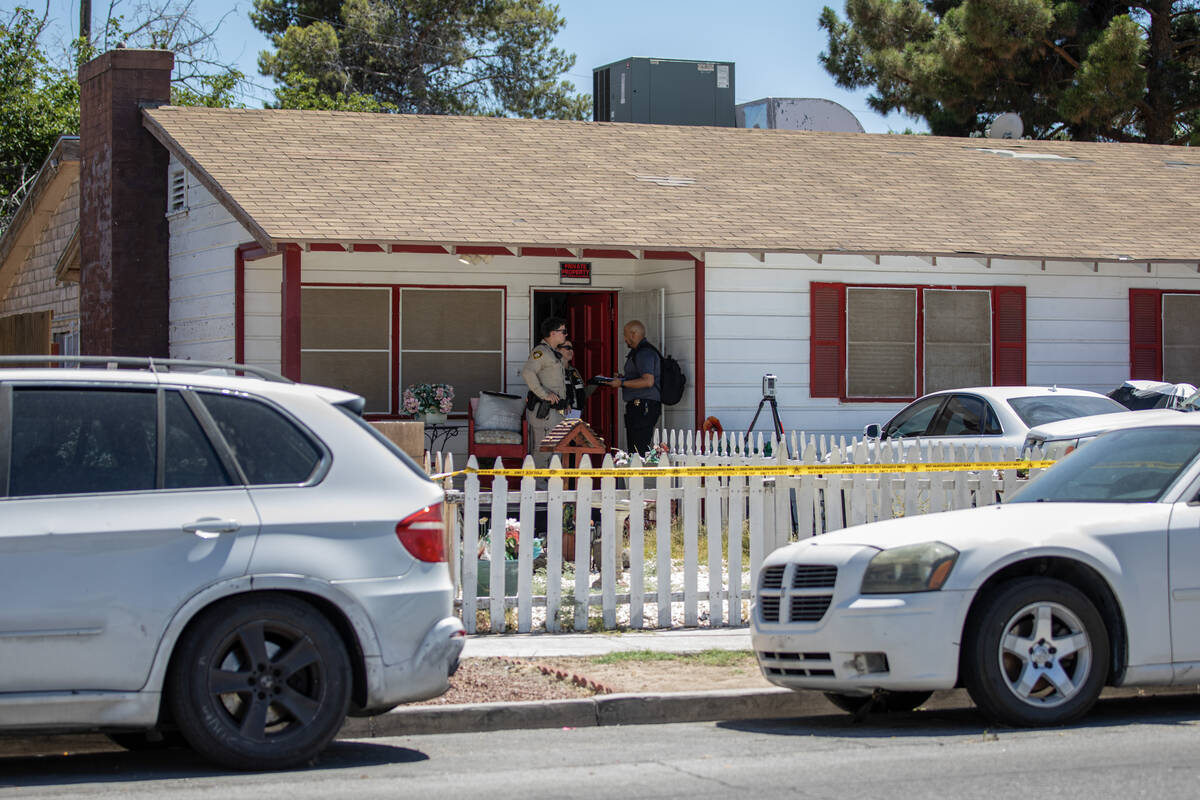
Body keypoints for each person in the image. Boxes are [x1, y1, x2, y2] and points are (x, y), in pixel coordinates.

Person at [605, 320, 661, 456]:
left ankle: (638, 476)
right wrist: (623, 378)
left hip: (642, 406)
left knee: (638, 450)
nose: (624, 339)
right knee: (634, 449)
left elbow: (648, 381)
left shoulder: (644, 353)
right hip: (640, 406)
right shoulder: (639, 352)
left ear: (634, 334)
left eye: (625, 335)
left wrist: (622, 383)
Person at [520, 317, 568, 468]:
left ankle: (551, 488)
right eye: (563, 331)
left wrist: (564, 403)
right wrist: (544, 394)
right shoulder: (540, 352)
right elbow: (528, 372)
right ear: (553, 333)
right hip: (544, 411)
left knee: (556, 450)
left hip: (555, 411)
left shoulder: (552, 352)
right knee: (544, 451)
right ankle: (537, 487)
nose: (565, 335)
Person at [557, 339, 596, 417]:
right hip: (559, 415)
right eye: (568, 348)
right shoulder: (553, 370)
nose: (571, 351)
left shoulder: (574, 371)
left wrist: (596, 382)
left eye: (572, 348)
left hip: (576, 414)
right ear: (558, 350)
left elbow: (582, 393)